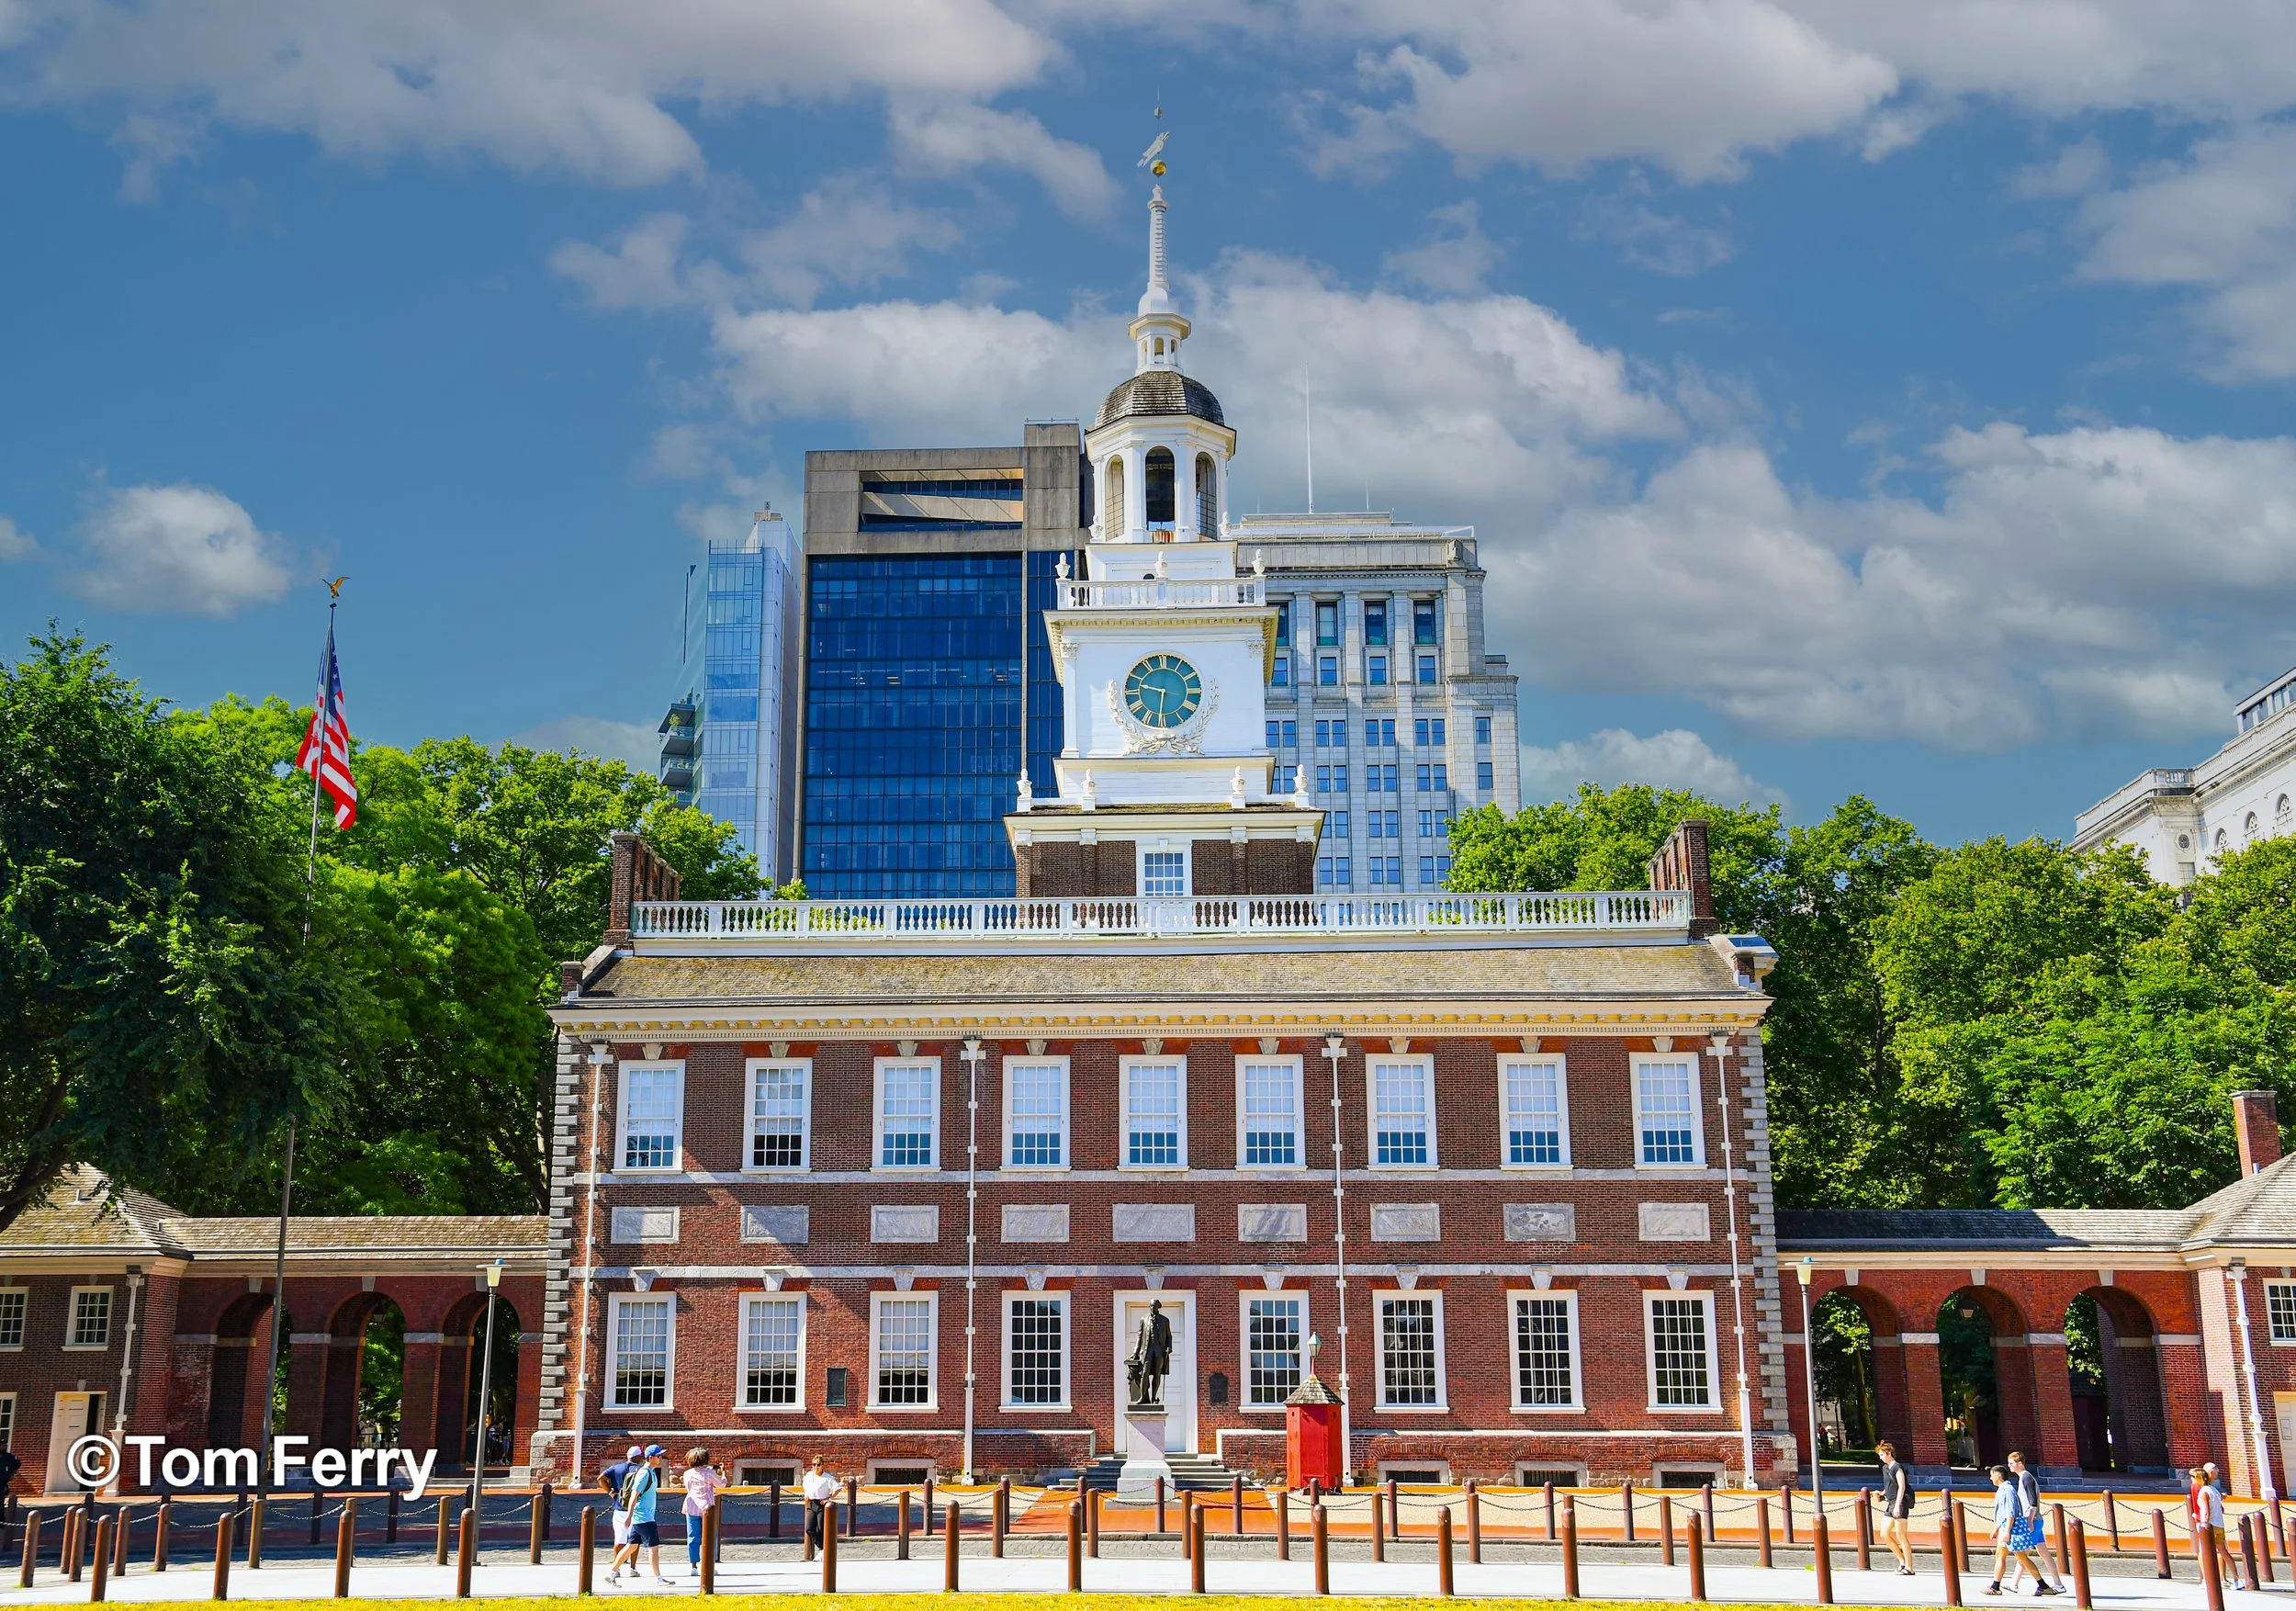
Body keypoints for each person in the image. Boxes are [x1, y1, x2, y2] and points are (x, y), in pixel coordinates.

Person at [1985, 1463, 2057, 1596]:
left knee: (2017, 1558)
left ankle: (1996, 1586)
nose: (1990, 1478)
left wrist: (2006, 1531)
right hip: (2007, 1528)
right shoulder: (2004, 1489)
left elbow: (2010, 1512)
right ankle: (2041, 1585)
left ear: (1998, 1476)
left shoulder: (2008, 1490)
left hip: (2010, 1529)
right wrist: (1997, 1528)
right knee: (2012, 1557)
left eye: (1991, 1475)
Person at [611, 1445, 670, 1585]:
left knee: (631, 1546)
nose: (661, 1458)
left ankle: (611, 1573)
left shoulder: (652, 1472)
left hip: (642, 1516)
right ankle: (658, 1578)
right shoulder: (644, 1473)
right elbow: (634, 1495)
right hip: (644, 1517)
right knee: (653, 1547)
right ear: (651, 1458)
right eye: (658, 1456)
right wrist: (629, 1515)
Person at [2004, 1452, 2062, 1591]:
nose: (2009, 1466)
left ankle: (2015, 1584)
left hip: (2032, 1520)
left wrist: (2029, 1521)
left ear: (2020, 1463)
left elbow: (2032, 1502)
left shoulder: (2026, 1478)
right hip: (2036, 1520)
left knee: (2023, 1553)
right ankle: (2057, 1584)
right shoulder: (2024, 1478)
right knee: (2041, 1554)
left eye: (2011, 1463)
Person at [2195, 1466, 2244, 1592]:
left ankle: (2207, 1580)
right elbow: (2221, 1509)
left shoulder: (2204, 1492)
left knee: (2204, 1552)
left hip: (2209, 1525)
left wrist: (2204, 1525)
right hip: (2219, 1525)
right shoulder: (2214, 1490)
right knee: (2224, 1552)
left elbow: (2206, 1512)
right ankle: (2237, 1579)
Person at [681, 1448, 724, 1578]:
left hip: (691, 1506)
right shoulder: (709, 1474)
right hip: (707, 1508)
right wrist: (722, 1474)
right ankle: (709, 1565)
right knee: (709, 1538)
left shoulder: (687, 1473)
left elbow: (688, 1487)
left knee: (693, 1537)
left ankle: (694, 1566)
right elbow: (721, 1485)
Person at [601, 1445, 640, 1583]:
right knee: (634, 1540)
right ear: (638, 1457)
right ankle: (633, 1568)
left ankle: (616, 1570)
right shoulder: (639, 1470)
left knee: (619, 1539)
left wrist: (611, 1492)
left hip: (619, 1507)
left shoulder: (616, 1468)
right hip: (634, 1508)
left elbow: (601, 1478)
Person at [1876, 1441, 1917, 1576]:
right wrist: (1881, 1493)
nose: (1880, 1457)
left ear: (1889, 1454)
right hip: (1890, 1503)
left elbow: (1901, 1486)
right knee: (1884, 1534)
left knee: (1901, 1535)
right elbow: (1889, 1485)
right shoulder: (1885, 1468)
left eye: (1882, 1454)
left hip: (1900, 1503)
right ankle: (1902, 1561)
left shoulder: (1897, 1467)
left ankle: (1909, 1567)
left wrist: (1898, 1505)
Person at [802, 1455, 840, 1553]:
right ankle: (822, 1548)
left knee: (821, 1528)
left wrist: (829, 1498)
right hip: (811, 1503)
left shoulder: (827, 1478)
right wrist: (806, 1494)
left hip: (821, 1504)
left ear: (822, 1465)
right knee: (809, 1528)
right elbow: (806, 1487)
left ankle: (824, 1551)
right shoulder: (809, 1475)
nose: (815, 1467)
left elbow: (838, 1488)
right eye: (814, 1464)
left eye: (818, 1465)